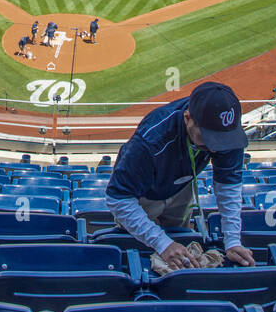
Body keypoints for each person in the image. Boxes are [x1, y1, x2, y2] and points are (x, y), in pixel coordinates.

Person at [104, 82, 253, 269]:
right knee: (140, 249)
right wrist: (162, 244)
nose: (216, 147)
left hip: (183, 185)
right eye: (209, 139)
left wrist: (232, 241)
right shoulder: (150, 140)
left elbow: (229, 186)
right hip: (144, 194)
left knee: (180, 239)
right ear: (187, 117)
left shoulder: (228, 132)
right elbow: (118, 198)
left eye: (222, 139)